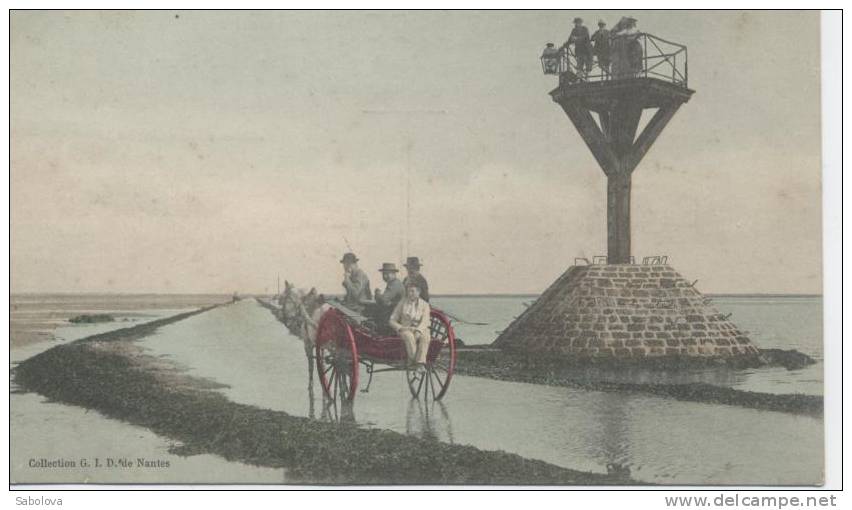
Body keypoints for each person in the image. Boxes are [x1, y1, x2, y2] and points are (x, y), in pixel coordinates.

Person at [389, 280, 432, 373]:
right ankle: (413, 362)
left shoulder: (425, 305)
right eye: (408, 291)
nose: (410, 294)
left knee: (426, 337)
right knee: (409, 336)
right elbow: (392, 320)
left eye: (412, 291)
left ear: (418, 292)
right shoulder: (402, 303)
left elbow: (425, 321)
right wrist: (400, 328)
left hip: (421, 328)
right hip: (406, 329)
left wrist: (419, 330)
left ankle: (420, 363)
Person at [373, 262, 405, 327]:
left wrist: (377, 293)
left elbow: (383, 300)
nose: (385, 276)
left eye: (388, 273)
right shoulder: (395, 283)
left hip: (395, 318)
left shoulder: (394, 284)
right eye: (384, 274)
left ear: (394, 274)